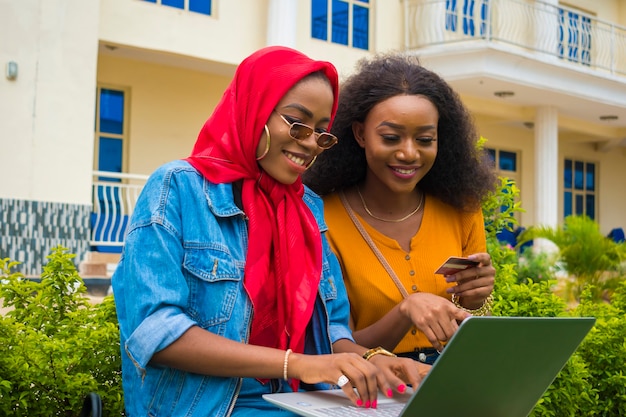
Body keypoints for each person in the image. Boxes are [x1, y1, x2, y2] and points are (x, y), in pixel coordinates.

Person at [112, 46, 426, 417]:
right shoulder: (177, 188)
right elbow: (156, 333)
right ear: (254, 108)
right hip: (211, 407)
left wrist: (377, 362)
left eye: (323, 133)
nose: (310, 143)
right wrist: (296, 364)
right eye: (297, 123)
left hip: (302, 401)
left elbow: (333, 335)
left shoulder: (306, 207)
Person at [304, 52, 497, 365]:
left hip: (448, 375)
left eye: (424, 139)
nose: (409, 153)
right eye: (391, 137)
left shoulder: (462, 209)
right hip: (369, 383)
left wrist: (476, 297)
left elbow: (470, 316)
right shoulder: (321, 217)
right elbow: (333, 346)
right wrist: (407, 310)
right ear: (359, 134)